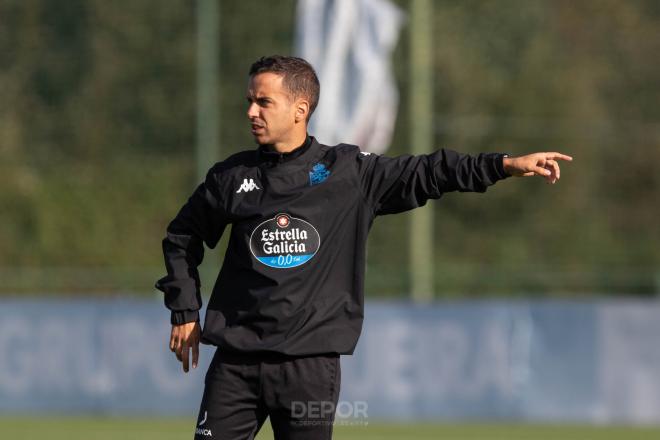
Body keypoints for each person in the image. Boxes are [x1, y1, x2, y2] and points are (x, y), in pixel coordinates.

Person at [156, 55, 572, 440]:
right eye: (250, 101)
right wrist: (185, 309)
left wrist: (503, 165)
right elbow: (182, 238)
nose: (251, 112)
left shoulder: (348, 173)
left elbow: (431, 171)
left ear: (300, 109)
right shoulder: (232, 177)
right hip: (236, 363)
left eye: (264, 102)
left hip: (309, 366)